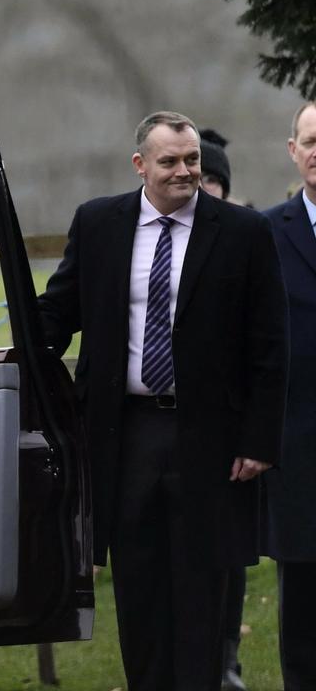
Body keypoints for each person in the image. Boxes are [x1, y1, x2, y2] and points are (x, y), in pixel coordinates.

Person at [37, 111, 288, 690]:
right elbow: (59, 311)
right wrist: (22, 349)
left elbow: (270, 345)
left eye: (192, 160)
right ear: (140, 165)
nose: (184, 172)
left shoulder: (242, 232)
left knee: (203, 594)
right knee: (139, 590)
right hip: (126, 438)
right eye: (170, 161)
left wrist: (258, 440)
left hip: (211, 440)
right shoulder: (99, 225)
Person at [262, 99, 316, 689]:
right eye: (310, 140)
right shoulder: (267, 233)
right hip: (298, 446)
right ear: (294, 151)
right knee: (302, 601)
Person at [199, 127, 249, 691]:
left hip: (230, 421)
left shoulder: (246, 239)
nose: (204, 186)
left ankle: (226, 657)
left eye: (214, 178)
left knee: (229, 552)